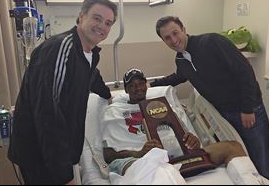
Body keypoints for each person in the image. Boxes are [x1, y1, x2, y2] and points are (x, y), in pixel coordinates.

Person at [149, 16, 269, 184]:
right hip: (223, 113)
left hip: (247, 111)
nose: (173, 40)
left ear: (184, 30)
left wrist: (248, 108)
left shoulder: (211, 42)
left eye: (175, 33)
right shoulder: (181, 59)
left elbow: (244, 72)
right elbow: (179, 76)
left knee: (261, 162)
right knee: (244, 163)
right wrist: (152, 84)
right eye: (167, 38)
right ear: (163, 41)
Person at [8, 0, 117, 185]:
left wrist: (107, 95)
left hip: (54, 154)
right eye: (97, 18)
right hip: (39, 154)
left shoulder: (89, 53)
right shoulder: (60, 48)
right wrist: (64, 175)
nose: (102, 26)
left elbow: (91, 76)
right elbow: (48, 112)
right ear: (81, 17)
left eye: (108, 23)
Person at [101, 68, 248, 177]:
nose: (137, 88)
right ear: (126, 89)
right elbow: (108, 155)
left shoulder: (162, 106)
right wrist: (139, 153)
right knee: (157, 173)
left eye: (141, 83)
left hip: (177, 157)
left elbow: (183, 133)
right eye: (132, 85)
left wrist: (192, 141)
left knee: (232, 147)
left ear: (146, 85)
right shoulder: (115, 111)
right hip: (140, 160)